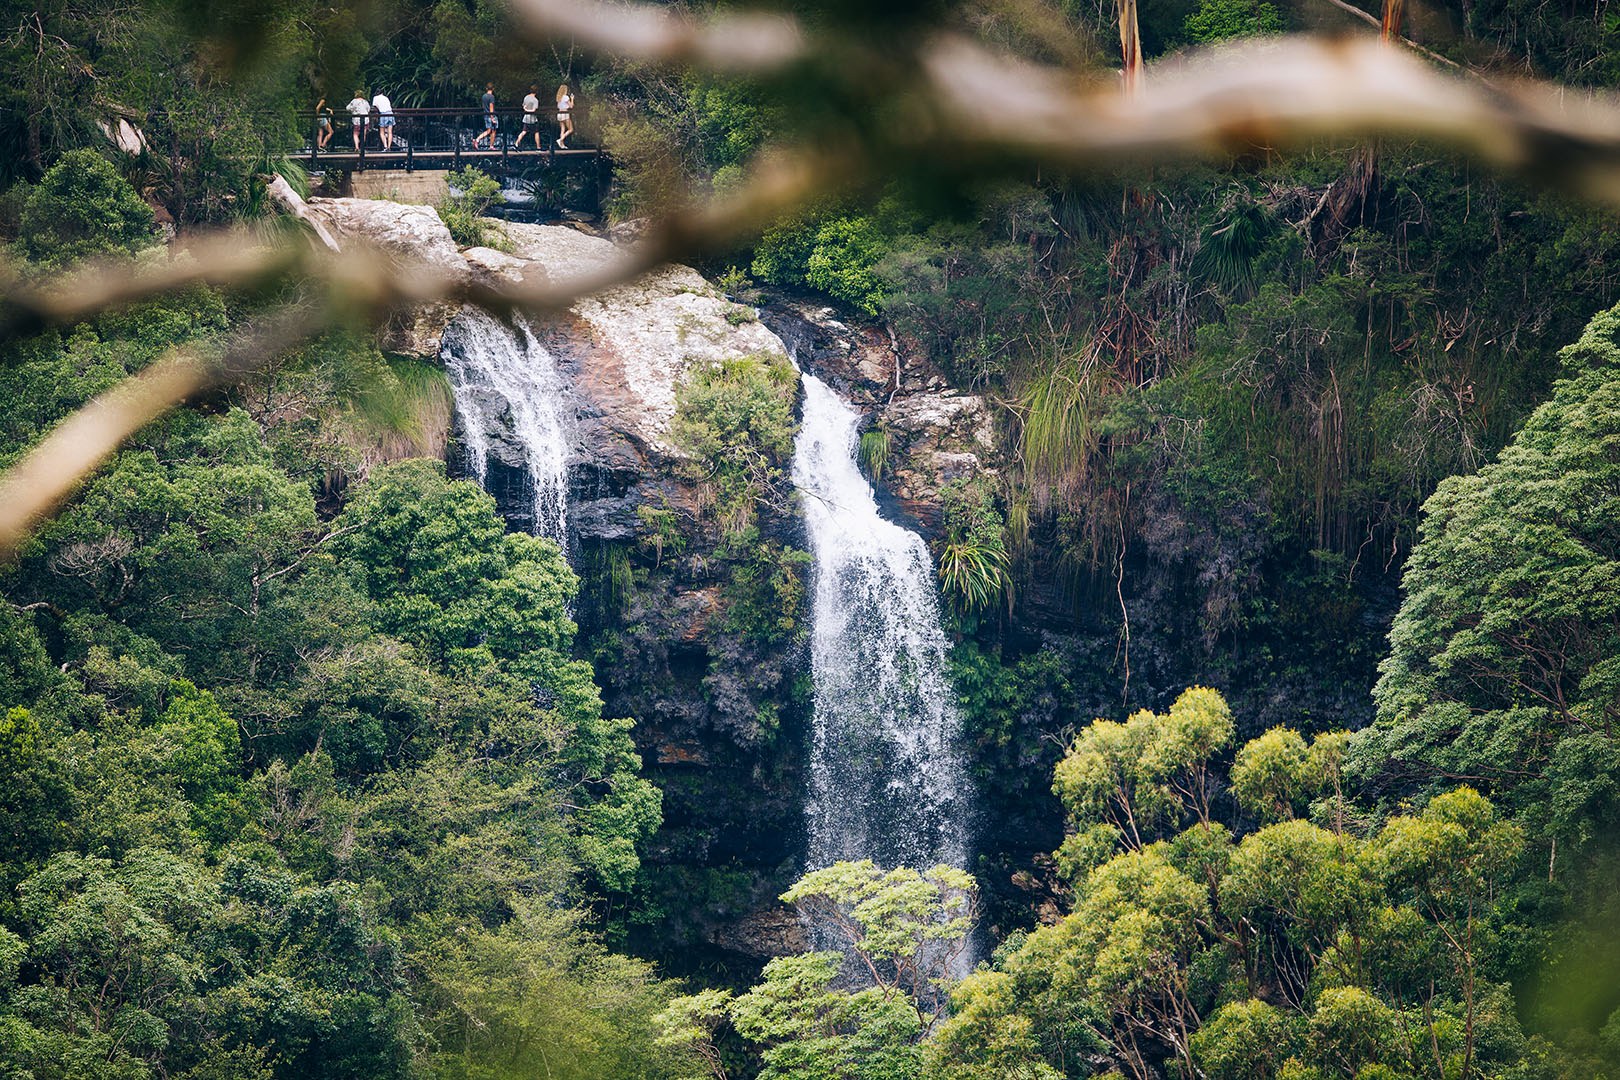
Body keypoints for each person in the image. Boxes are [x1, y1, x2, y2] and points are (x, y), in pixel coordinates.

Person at [514, 84, 541, 149]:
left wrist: (525, 109)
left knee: (524, 131)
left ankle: (516, 142)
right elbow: (534, 110)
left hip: (526, 117)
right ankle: (538, 147)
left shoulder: (526, 97)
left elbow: (524, 106)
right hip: (532, 119)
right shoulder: (535, 100)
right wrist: (528, 110)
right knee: (536, 132)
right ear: (536, 91)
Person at [474, 82, 498, 148]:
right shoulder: (492, 97)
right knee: (493, 131)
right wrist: (492, 117)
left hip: (486, 115)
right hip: (491, 115)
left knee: (489, 130)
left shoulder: (484, 96)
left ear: (486, 88)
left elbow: (483, 106)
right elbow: (491, 107)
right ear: (493, 89)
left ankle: (477, 139)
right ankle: (491, 145)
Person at [555, 83, 574, 149]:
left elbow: (558, 106)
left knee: (562, 129)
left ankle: (562, 145)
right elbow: (571, 106)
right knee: (571, 129)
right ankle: (560, 140)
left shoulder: (558, 97)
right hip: (565, 113)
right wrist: (572, 99)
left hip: (559, 113)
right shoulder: (566, 97)